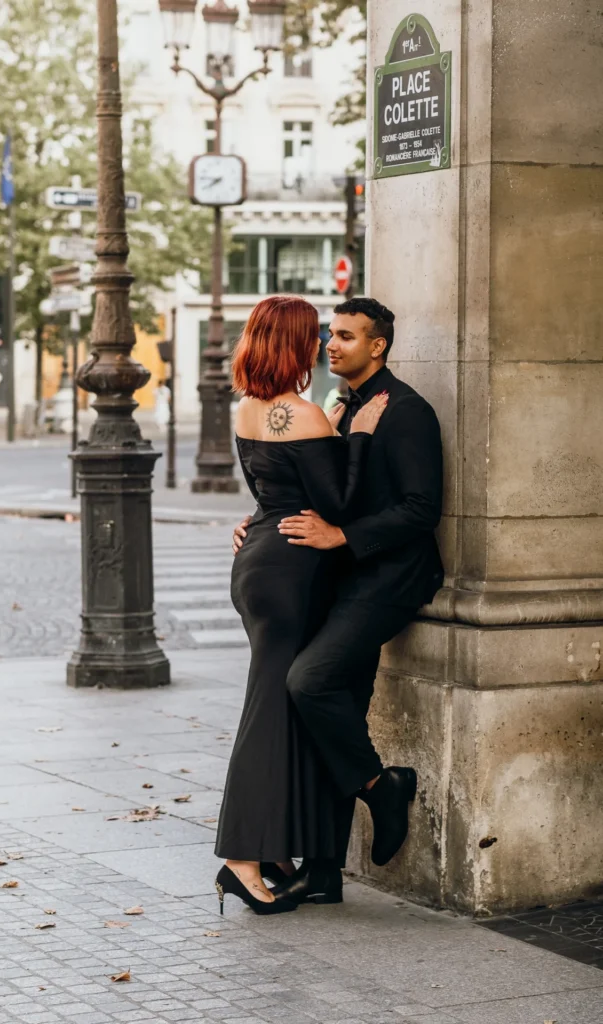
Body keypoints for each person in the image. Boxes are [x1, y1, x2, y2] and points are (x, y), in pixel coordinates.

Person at [232, 297, 444, 906]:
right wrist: (262, 518)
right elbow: (298, 481)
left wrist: (342, 536)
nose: (332, 344)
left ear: (377, 346)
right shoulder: (331, 406)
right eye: (328, 333)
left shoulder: (405, 411)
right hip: (332, 576)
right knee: (331, 704)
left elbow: (420, 510)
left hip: (387, 576)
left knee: (310, 682)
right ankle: (323, 869)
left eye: (346, 336)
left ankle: (381, 785)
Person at [215, 295, 390, 917]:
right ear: (292, 343)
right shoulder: (305, 414)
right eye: (312, 335)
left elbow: (269, 492)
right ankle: (240, 857)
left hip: (259, 560)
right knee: (269, 708)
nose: (321, 344)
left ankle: (276, 852)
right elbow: (337, 503)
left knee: (280, 701)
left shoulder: (248, 408)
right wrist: (359, 437)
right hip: (292, 571)